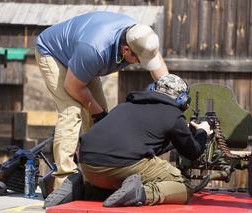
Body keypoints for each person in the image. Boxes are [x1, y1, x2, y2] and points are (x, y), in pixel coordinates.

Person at [35, 11, 169, 191]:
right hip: (54, 55)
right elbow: (73, 87)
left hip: (82, 61)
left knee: (100, 120)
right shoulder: (95, 50)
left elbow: (161, 74)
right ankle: (64, 183)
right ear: (125, 50)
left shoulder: (142, 37)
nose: (138, 63)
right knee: (71, 111)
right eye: (137, 59)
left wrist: (172, 99)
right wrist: (97, 112)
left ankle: (95, 174)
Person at [43, 74, 213, 208]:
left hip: (88, 165)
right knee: (184, 187)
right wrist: (202, 132)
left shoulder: (126, 105)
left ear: (152, 89)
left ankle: (81, 190)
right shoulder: (173, 115)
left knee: (118, 186)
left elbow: (145, 145)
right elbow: (194, 152)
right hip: (120, 165)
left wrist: (182, 135)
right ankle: (141, 193)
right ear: (183, 100)